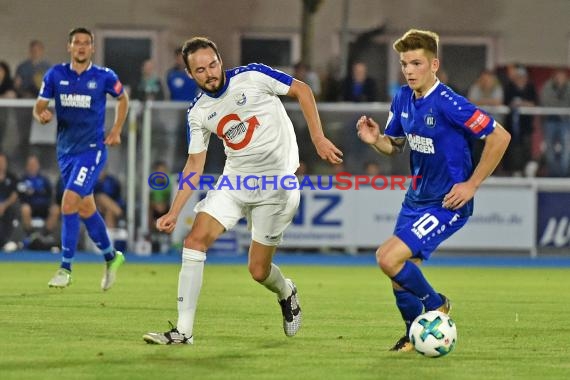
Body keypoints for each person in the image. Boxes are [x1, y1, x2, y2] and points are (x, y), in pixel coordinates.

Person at [143, 36, 343, 345]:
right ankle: (184, 331)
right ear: (190, 74)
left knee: (258, 270)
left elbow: (302, 90)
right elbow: (194, 165)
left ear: (220, 60)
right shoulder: (198, 113)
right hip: (235, 182)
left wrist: (317, 139)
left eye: (213, 64)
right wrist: (174, 210)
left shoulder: (253, 76)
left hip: (278, 186)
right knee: (194, 240)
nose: (210, 73)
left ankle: (286, 291)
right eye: (200, 70)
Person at [355, 29, 510, 352]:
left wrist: (472, 184)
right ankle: (414, 334)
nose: (409, 71)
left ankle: (437, 305)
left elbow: (500, 137)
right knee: (400, 275)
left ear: (434, 64)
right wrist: (376, 141)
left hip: (447, 203)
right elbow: (395, 145)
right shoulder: (402, 98)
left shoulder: (450, 103)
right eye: (404, 64)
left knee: (387, 257)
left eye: (416, 63)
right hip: (416, 198)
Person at [33, 27, 129, 290]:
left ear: (93, 48)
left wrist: (117, 129)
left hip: (92, 150)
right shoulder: (55, 74)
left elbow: (123, 99)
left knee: (69, 201)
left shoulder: (103, 76)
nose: (82, 47)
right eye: (77, 42)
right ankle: (112, 258)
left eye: (87, 43)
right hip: (65, 153)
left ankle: (65, 268)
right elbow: (39, 105)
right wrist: (41, 114)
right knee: (86, 208)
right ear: (69, 47)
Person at [17, 154, 59, 234]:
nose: (32, 166)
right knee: (25, 209)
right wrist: (34, 192)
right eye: (30, 164)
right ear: (27, 166)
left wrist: (35, 192)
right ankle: (30, 234)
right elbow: (21, 195)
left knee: (56, 209)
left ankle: (45, 234)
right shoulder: (22, 180)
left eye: (34, 164)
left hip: (44, 207)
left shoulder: (44, 179)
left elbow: (50, 194)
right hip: (30, 207)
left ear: (38, 165)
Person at [539, 69, 570, 177]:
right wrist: (560, 108)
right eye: (558, 76)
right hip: (550, 121)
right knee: (549, 149)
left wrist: (558, 108)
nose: (560, 79)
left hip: (565, 122)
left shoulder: (568, 87)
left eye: (562, 77)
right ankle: (552, 173)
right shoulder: (547, 87)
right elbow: (546, 102)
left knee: (566, 148)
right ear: (554, 77)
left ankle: (564, 174)